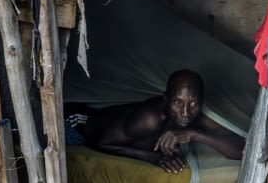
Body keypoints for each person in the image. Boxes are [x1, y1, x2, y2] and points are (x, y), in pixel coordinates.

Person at [66, 69, 245, 173]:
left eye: (193, 104)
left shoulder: (194, 116)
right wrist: (153, 157)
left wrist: (194, 134)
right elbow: (98, 142)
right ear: (166, 100)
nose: (185, 112)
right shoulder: (150, 119)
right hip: (76, 123)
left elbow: (240, 150)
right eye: (177, 102)